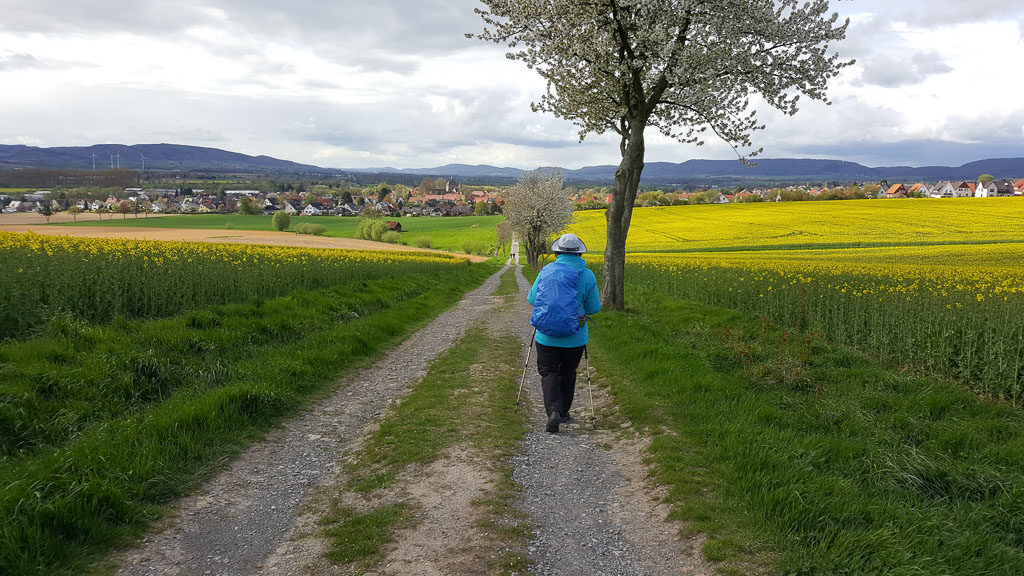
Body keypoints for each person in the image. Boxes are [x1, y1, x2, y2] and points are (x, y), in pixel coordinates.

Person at [527, 233, 601, 433]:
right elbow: (594, 308)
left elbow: (532, 299)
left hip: (546, 335)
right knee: (568, 373)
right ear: (579, 254)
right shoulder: (587, 275)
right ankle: (564, 413)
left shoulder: (545, 271)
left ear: (557, 252)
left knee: (549, 371)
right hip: (575, 336)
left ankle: (554, 411)